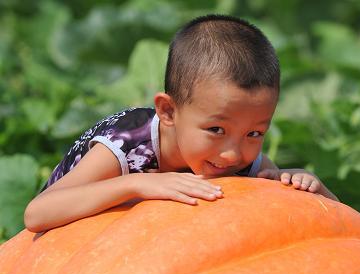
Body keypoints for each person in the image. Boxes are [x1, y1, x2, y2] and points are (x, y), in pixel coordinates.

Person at [24, 14, 338, 233]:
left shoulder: (242, 159)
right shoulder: (126, 143)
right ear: (169, 112)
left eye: (255, 133)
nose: (233, 154)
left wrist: (313, 190)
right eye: (216, 130)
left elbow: (344, 231)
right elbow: (38, 214)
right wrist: (137, 183)